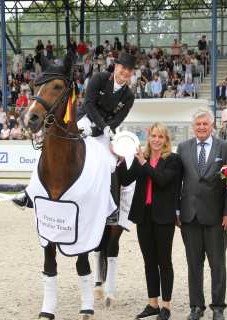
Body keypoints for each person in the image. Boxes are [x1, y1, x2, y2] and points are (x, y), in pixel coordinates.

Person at [11, 52, 136, 220]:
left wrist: (103, 129)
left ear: (132, 72)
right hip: (83, 119)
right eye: (122, 67)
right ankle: (29, 193)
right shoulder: (99, 78)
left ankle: (110, 207)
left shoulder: (129, 96)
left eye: (129, 70)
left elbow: (119, 118)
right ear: (116, 66)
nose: (125, 72)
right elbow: (89, 104)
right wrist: (99, 125)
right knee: (50, 148)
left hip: (103, 132)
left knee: (110, 162)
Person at [116, 123, 182, 320]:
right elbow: (126, 180)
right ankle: (153, 303)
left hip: (164, 217)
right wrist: (121, 159)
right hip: (143, 216)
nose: (156, 140)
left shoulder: (173, 160)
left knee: (165, 261)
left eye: (160, 137)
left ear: (166, 140)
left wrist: (144, 164)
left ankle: (166, 305)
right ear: (148, 137)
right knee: (149, 261)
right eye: (153, 136)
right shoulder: (140, 158)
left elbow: (162, 181)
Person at [176, 110, 227, 320]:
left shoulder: (226, 149)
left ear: (212, 126)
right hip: (189, 216)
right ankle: (196, 306)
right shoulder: (183, 148)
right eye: (198, 124)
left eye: (205, 124)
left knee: (217, 265)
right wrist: (177, 210)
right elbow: (178, 182)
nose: (201, 127)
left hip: (217, 217)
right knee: (194, 264)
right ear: (193, 127)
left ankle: (218, 307)